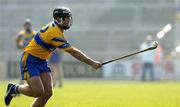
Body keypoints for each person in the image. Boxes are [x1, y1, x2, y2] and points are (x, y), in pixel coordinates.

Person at [4, 6, 102, 107]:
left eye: (69, 18)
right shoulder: (54, 33)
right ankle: (14, 89)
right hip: (30, 60)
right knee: (38, 92)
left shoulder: (57, 29)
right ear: (59, 19)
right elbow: (74, 52)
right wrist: (92, 63)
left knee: (48, 93)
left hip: (42, 61)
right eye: (66, 19)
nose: (69, 21)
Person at [16, 19, 36, 84]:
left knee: (32, 69)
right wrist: (19, 45)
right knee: (23, 68)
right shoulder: (21, 34)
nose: (27, 26)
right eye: (26, 25)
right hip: (24, 53)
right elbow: (17, 40)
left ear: (31, 26)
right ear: (24, 26)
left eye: (29, 25)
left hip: (32, 54)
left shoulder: (34, 34)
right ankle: (21, 83)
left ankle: (32, 83)